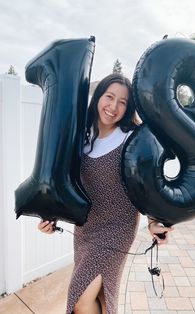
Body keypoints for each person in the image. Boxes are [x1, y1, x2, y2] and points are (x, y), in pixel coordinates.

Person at [38, 73, 174, 314]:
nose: (113, 107)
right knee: (99, 297)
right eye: (109, 97)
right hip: (85, 228)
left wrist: (154, 221)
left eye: (122, 102)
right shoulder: (81, 134)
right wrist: (51, 216)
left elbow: (147, 186)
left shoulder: (133, 138)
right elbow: (66, 181)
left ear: (128, 106)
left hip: (117, 229)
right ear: (98, 97)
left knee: (80, 298)